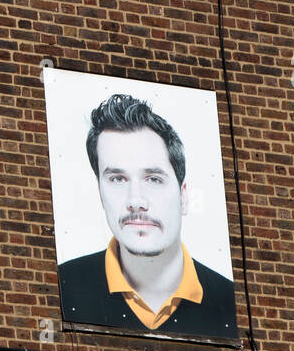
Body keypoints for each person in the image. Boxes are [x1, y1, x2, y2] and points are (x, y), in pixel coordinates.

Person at [57, 93, 237, 338]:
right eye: (117, 179)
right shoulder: (63, 287)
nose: (136, 201)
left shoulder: (228, 300)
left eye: (153, 179)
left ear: (183, 196)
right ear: (100, 192)